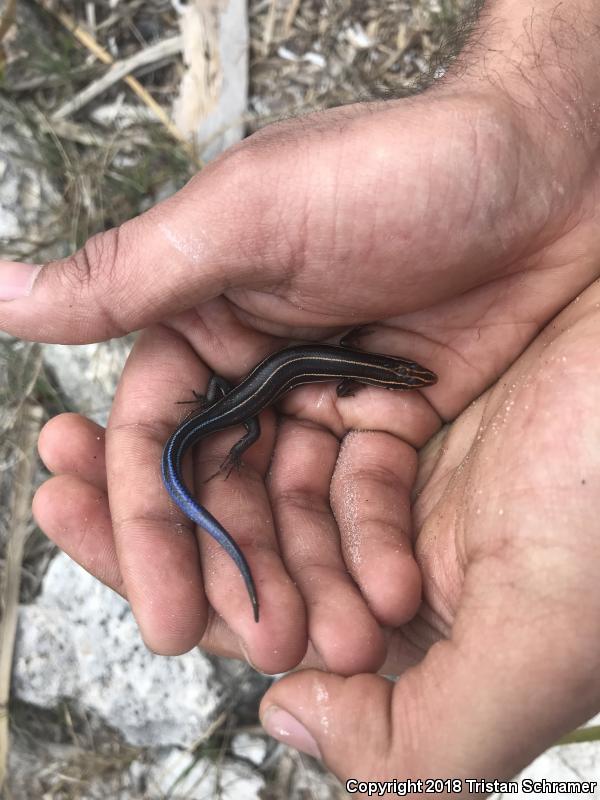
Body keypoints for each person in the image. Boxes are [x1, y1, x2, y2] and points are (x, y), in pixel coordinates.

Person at [1, 0, 600, 787]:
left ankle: (210, 482)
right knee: (224, 443)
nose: (411, 378)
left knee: (231, 436)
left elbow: (338, 364)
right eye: (407, 377)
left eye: (410, 378)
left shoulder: (355, 369)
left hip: (234, 400)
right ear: (394, 376)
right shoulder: (351, 375)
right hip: (229, 408)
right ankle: (207, 480)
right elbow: (335, 369)